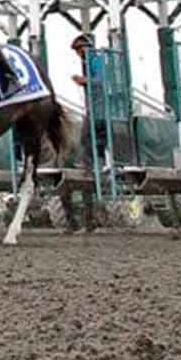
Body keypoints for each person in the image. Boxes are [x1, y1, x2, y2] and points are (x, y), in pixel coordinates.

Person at [62, 33, 100, 233]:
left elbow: (104, 82)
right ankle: (77, 221)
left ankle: (88, 161)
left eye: (81, 50)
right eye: (77, 52)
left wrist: (85, 81)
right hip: (93, 110)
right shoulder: (89, 61)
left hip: (101, 111)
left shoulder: (97, 60)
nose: (79, 55)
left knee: (86, 137)